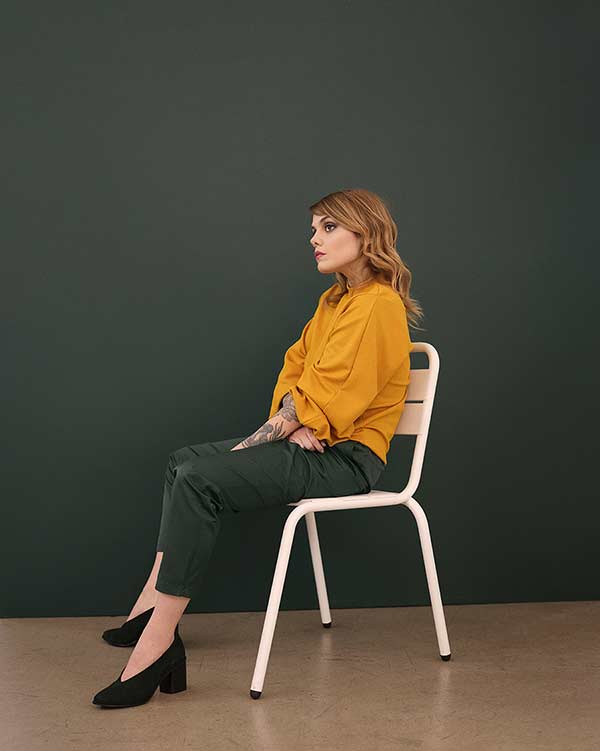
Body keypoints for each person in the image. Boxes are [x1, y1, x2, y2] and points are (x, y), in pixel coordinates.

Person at [92, 187, 425, 708]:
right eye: (314, 229)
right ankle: (148, 608)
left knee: (199, 480)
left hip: (347, 459)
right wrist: (296, 420)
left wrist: (301, 418)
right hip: (317, 444)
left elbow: (335, 390)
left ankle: (158, 643)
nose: (314, 239)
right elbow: (296, 368)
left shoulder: (379, 305)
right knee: (183, 462)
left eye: (328, 227)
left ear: (365, 233)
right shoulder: (334, 302)